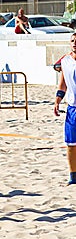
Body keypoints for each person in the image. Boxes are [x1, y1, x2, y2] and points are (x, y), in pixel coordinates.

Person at [54, 33, 76, 185]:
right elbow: (63, 84)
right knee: (71, 144)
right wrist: (57, 101)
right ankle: (73, 175)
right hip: (73, 108)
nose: (75, 43)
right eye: (72, 41)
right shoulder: (65, 61)